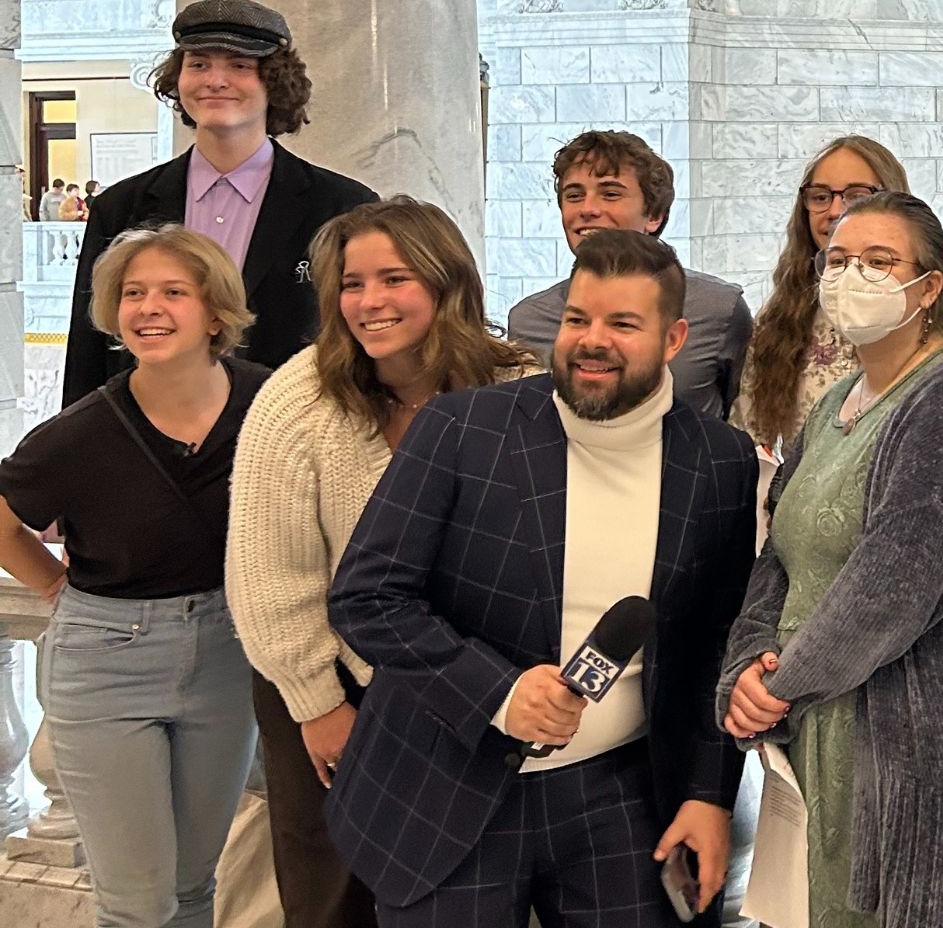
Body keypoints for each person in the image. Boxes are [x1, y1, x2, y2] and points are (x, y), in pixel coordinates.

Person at [327, 229, 757, 927]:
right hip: (450, 789)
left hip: (624, 799)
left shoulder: (720, 460)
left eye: (623, 324)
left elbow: (716, 641)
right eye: (577, 319)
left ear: (674, 339)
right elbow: (366, 598)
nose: (593, 341)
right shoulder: (463, 428)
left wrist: (708, 794)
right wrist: (498, 692)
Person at [720, 192, 943, 928]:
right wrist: (744, 668)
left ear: (928, 288)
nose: (851, 276)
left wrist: (781, 687)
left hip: (922, 734)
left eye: (879, 261)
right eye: (837, 260)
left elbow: (903, 572)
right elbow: (780, 552)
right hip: (817, 724)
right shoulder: (836, 400)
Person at [228, 198, 538, 928]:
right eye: (352, 283)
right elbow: (267, 576)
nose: (369, 302)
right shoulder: (297, 400)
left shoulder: (519, 385)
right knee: (334, 887)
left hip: (478, 677)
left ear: (446, 281)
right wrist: (318, 704)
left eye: (394, 278)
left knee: (471, 881)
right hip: (333, 678)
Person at [0, 225, 265, 928]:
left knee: (194, 886)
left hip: (225, 651)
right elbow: (2, 521)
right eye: (133, 293)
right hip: (107, 662)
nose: (149, 307)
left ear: (215, 312)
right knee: (137, 905)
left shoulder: (267, 404)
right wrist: (53, 586)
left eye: (173, 292)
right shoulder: (82, 432)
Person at [64, 0, 376, 405]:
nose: (215, 80)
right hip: (150, 429)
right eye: (198, 64)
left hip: (296, 427)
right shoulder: (121, 207)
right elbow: (89, 348)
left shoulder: (343, 207)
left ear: (275, 81)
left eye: (239, 65)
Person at [732, 135, 943, 457]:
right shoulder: (779, 319)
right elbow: (751, 434)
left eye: (856, 195)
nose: (836, 210)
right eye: (821, 197)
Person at [507, 130, 752, 420]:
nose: (587, 209)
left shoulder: (719, 310)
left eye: (610, 194)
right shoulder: (528, 320)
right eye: (574, 195)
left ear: (654, 215)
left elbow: (746, 420)